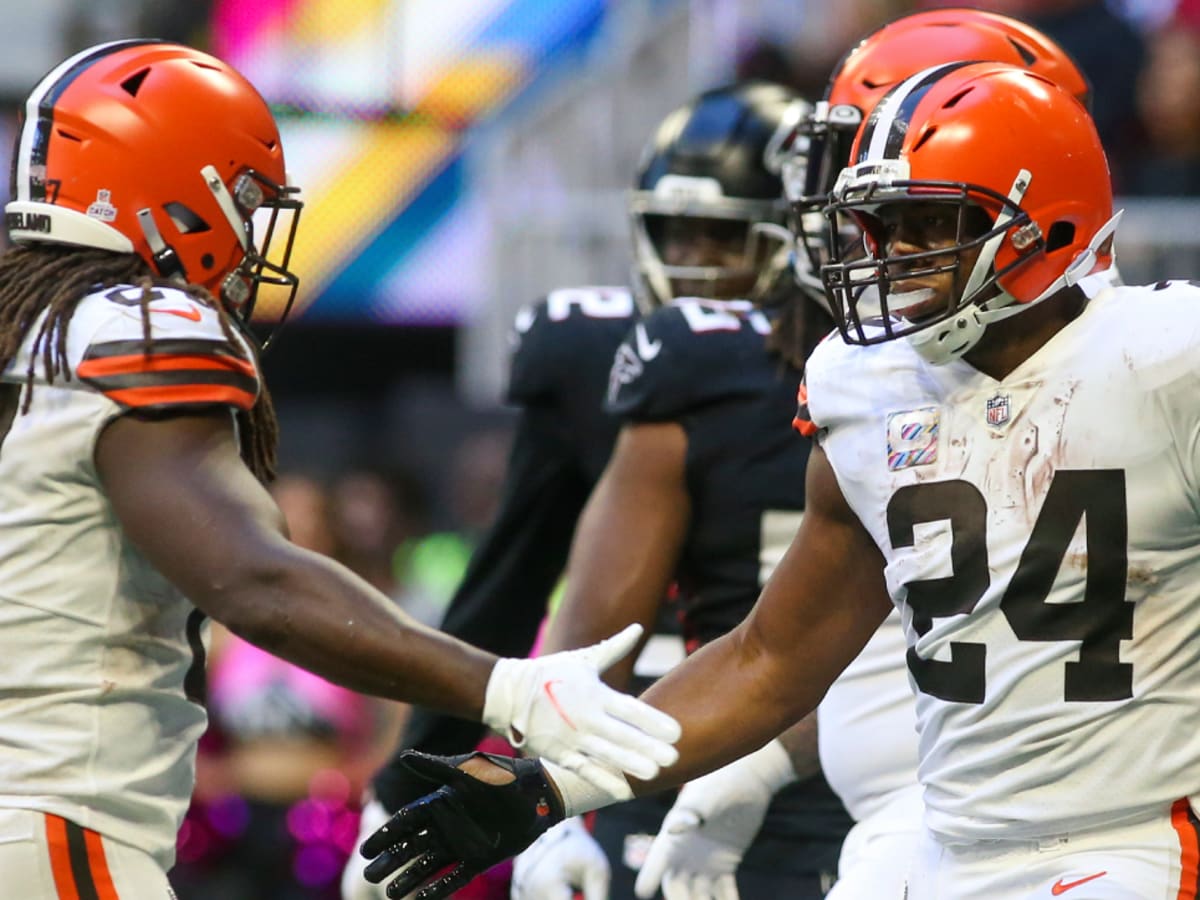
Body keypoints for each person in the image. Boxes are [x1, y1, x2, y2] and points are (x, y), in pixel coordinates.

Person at [360, 61, 1200, 900]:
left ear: (1044, 224)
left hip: (1127, 843)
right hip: (943, 841)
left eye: (928, 223)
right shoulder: (866, 386)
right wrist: (552, 787)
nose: (893, 256)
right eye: (879, 226)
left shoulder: (1165, 359)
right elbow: (770, 657)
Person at [0, 39, 683, 898]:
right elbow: (258, 583)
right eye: (245, 203)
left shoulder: (29, 325)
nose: (251, 238)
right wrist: (507, 687)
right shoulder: (137, 327)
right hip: (52, 821)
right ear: (180, 189)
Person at [630, 11, 1099, 900]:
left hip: (1079, 832)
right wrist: (753, 762)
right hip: (916, 828)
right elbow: (837, 647)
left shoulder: (1144, 361)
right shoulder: (866, 375)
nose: (846, 207)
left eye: (900, 189)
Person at [511, 80, 856, 900]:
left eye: (720, 240)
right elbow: (569, 615)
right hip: (691, 732)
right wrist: (548, 802)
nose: (695, 265)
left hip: (908, 768)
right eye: (679, 236)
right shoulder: (688, 358)